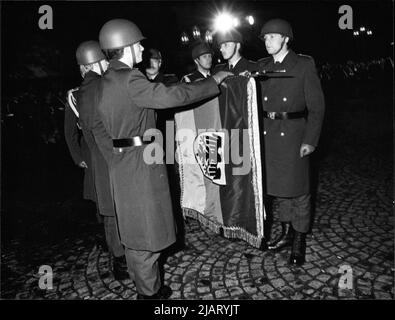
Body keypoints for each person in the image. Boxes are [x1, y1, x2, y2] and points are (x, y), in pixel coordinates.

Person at [96, 18, 232, 299]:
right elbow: (173, 95)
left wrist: (113, 155)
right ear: (126, 47)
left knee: (135, 232)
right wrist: (213, 82)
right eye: (138, 44)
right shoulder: (130, 78)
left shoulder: (105, 80)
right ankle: (150, 295)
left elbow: (97, 127)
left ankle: (149, 285)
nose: (141, 49)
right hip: (141, 162)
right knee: (147, 235)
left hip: (122, 162)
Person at [257, 19, 325, 265]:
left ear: (286, 39)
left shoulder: (304, 65)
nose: (268, 42)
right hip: (269, 134)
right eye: (265, 38)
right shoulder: (262, 66)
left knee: (299, 190)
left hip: (295, 134)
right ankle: (286, 233)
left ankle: (299, 238)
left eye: (273, 37)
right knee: (279, 189)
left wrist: (311, 140)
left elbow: (317, 108)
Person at [74, 40, 129, 281]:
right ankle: (123, 264)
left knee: (109, 216)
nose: (108, 63)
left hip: (99, 162)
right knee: (116, 214)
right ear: (95, 63)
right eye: (105, 60)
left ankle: (118, 262)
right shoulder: (99, 87)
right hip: (110, 159)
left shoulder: (82, 90)